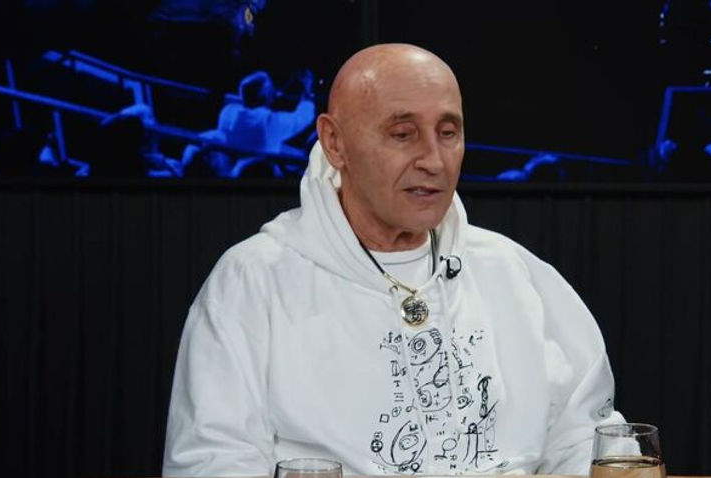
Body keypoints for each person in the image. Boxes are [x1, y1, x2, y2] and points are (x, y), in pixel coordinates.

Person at [163, 43, 624, 477]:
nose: (434, 161)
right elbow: (213, 462)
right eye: (403, 134)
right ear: (334, 143)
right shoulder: (252, 282)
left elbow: (587, 442)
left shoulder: (513, 272)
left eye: (448, 133)